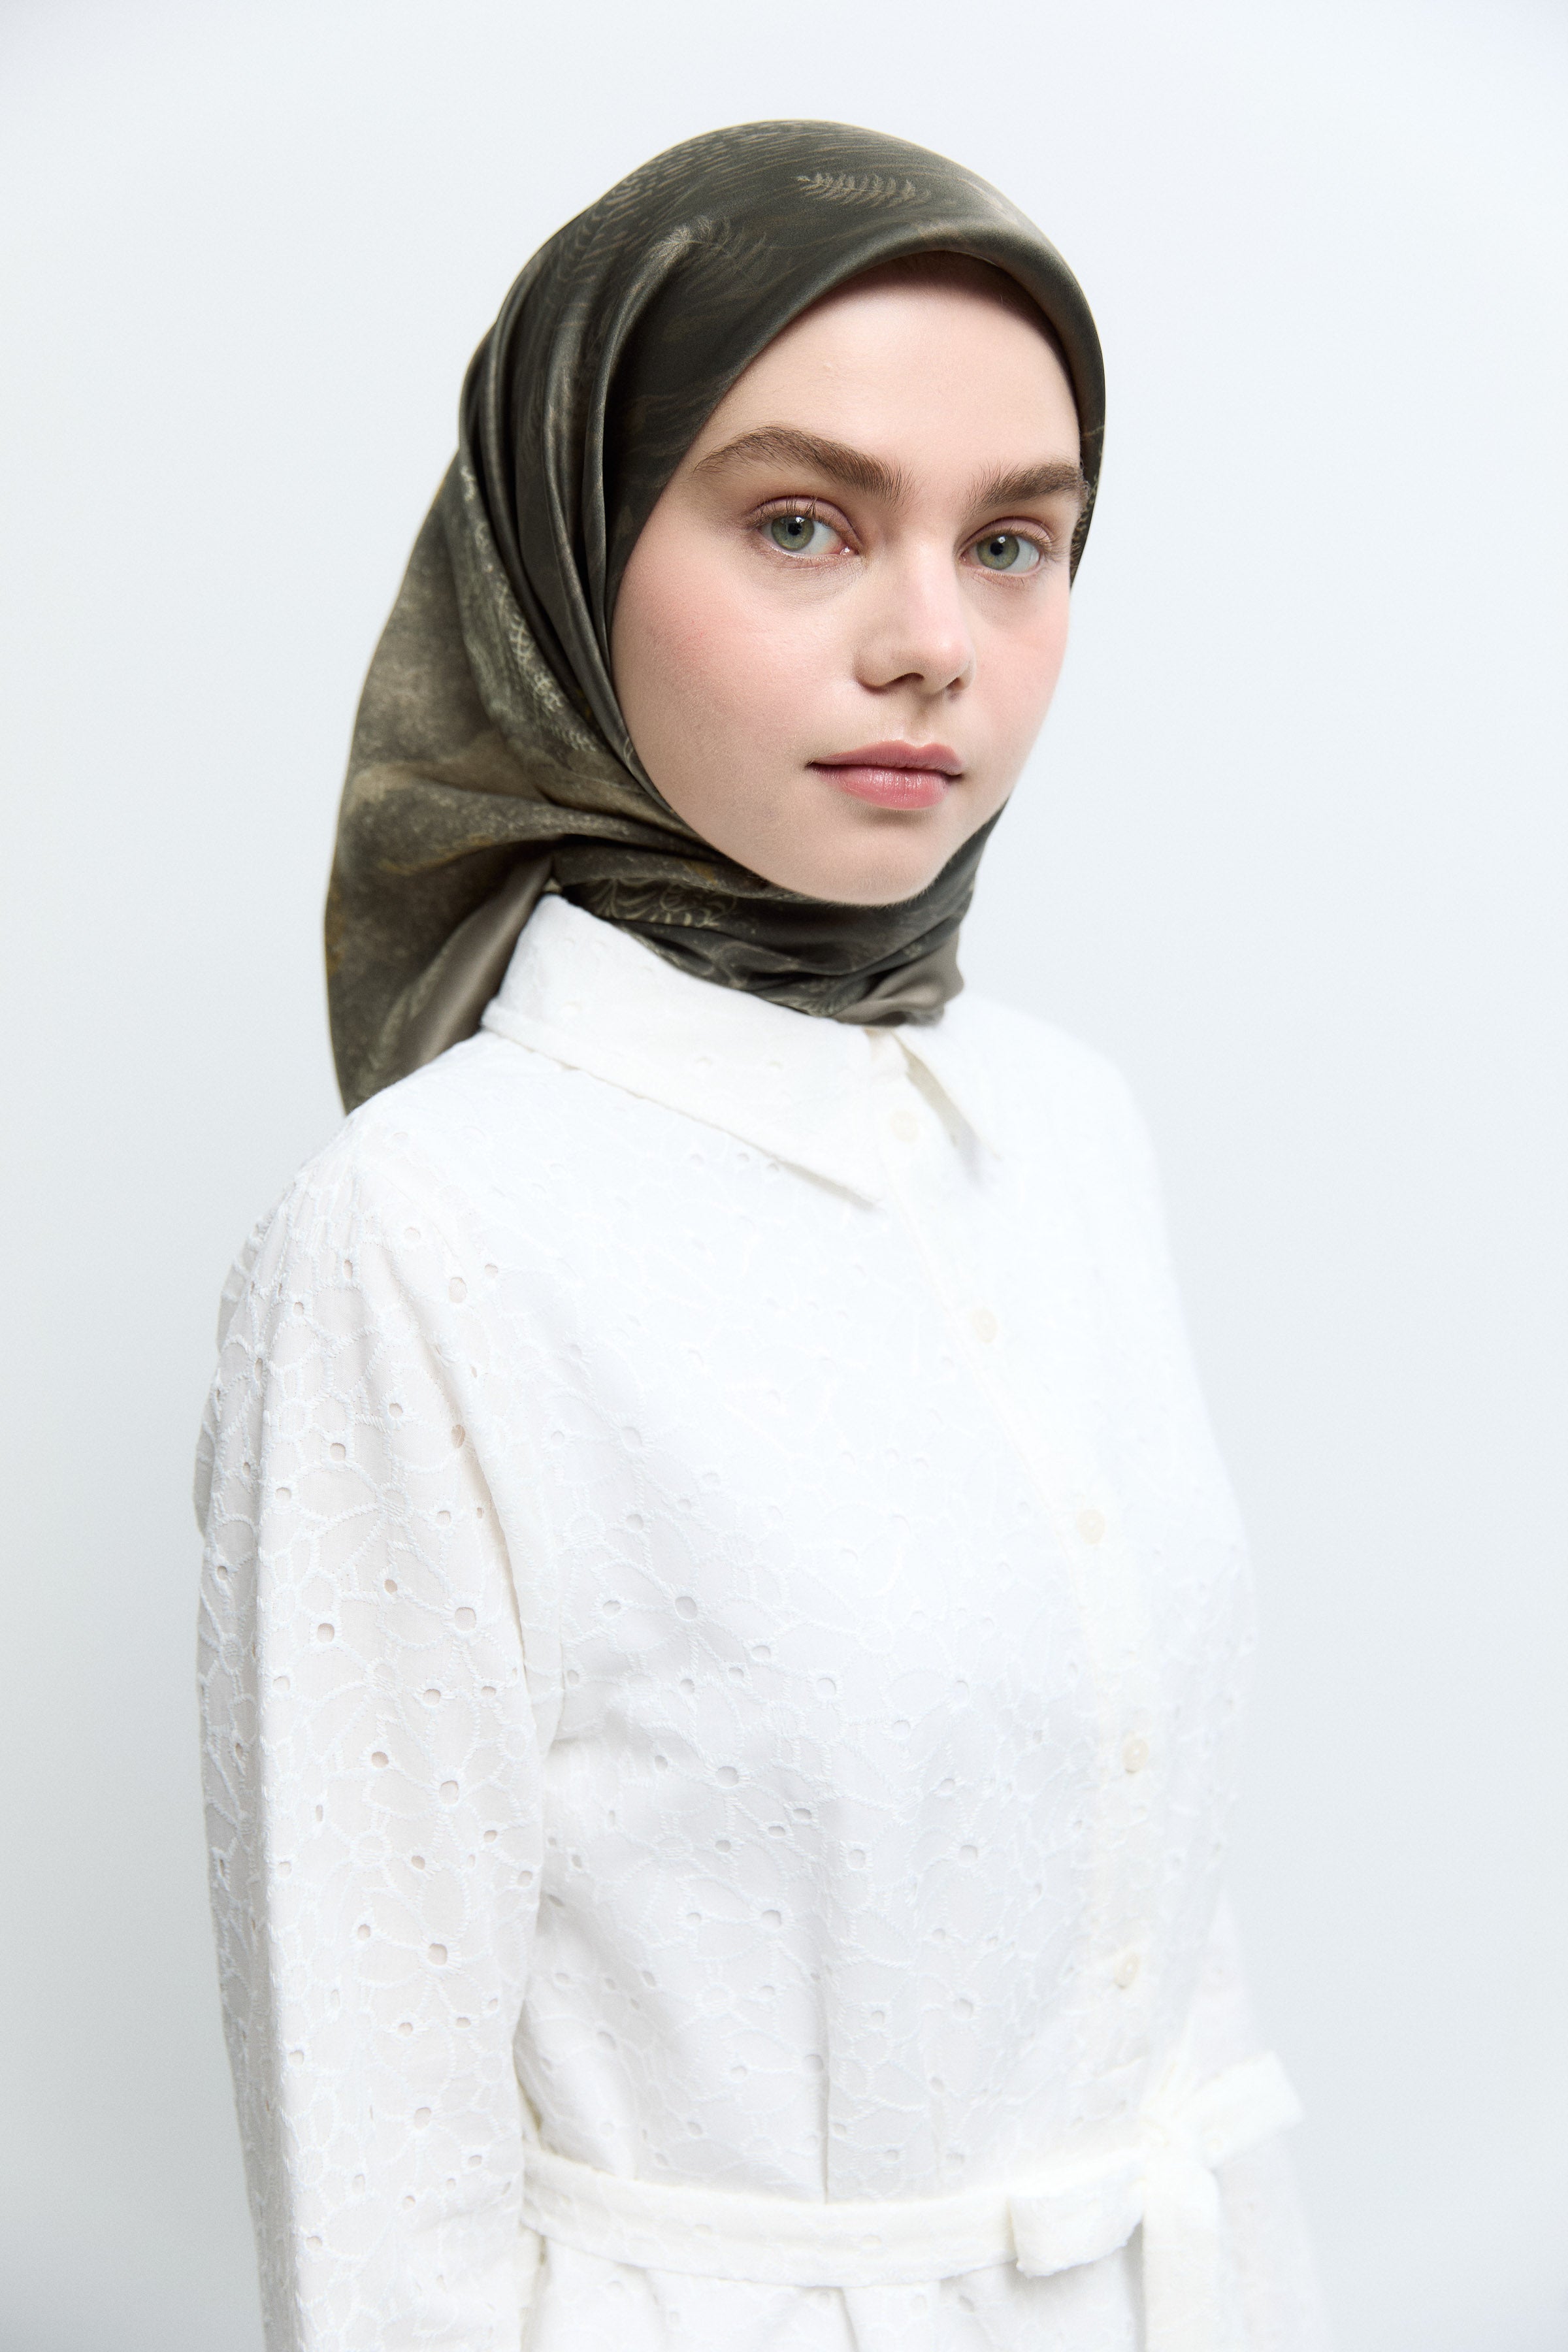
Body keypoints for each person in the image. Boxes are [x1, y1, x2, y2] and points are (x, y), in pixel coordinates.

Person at [196, 120, 1331, 2352]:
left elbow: (1161, 1958)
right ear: (567, 550)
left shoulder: (1065, 1129)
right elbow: (381, 2202)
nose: (933, 645)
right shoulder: (420, 1238)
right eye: (802, 523)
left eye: (1013, 542)